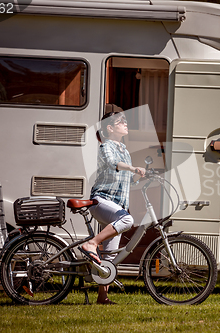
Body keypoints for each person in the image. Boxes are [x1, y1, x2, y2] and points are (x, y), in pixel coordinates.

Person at [80, 105, 145, 304]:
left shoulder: (124, 149)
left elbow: (124, 177)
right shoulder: (107, 146)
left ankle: (102, 297)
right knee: (127, 220)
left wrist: (139, 177)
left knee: (109, 256)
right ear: (110, 128)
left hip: (116, 204)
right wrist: (133, 167)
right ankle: (91, 243)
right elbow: (112, 163)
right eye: (121, 121)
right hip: (101, 201)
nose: (126, 124)